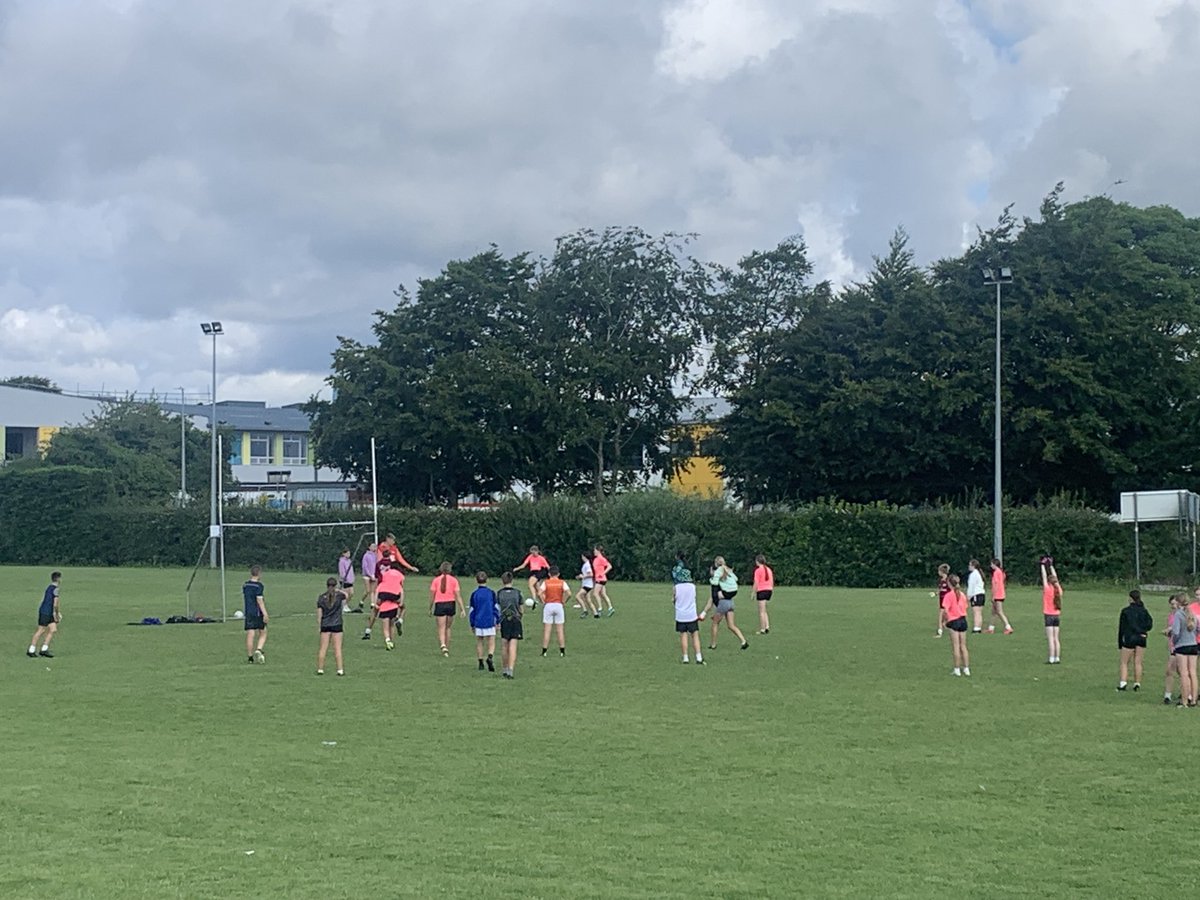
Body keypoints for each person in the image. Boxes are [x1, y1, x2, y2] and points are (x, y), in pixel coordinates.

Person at [703, 556, 749, 651]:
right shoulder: (728, 572)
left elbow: (714, 591)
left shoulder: (717, 577)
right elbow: (735, 579)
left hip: (723, 603)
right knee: (731, 625)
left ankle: (713, 644)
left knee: (715, 623)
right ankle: (743, 641)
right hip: (730, 602)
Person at [1117, 589, 1153, 692]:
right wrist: (1143, 631)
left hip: (1129, 638)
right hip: (1141, 638)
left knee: (1124, 662)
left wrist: (1120, 642)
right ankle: (1137, 683)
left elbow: (1122, 628)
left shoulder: (1126, 611)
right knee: (1138, 662)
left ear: (1130, 598)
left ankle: (1123, 683)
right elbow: (1149, 624)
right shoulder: (1144, 611)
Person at [1169, 593, 1199, 707]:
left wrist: (1174, 641)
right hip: (1193, 645)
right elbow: (1198, 629)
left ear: (1178, 602)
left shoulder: (1178, 614)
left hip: (1182, 645)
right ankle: (1194, 700)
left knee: (1184, 673)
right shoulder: (1192, 614)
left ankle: (1184, 700)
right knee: (1193, 672)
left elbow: (1176, 632)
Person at [430, 561, 464, 657]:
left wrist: (430, 607)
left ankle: (443, 645)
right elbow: (458, 596)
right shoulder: (454, 580)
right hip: (450, 604)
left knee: (441, 627)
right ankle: (447, 648)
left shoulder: (436, 580)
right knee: (448, 627)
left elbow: (432, 595)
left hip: (439, 604)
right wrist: (462, 609)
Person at [469, 572, 500, 672]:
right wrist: (498, 621)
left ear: (476, 580)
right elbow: (495, 608)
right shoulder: (491, 593)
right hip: (489, 620)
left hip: (478, 620)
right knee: (491, 640)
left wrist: (472, 623)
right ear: (487, 580)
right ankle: (490, 656)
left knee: (480, 641)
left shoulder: (474, 594)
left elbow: (472, 610)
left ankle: (480, 662)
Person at [672, 562, 703, 664]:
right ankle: (698, 657)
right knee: (695, 635)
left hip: (680, 615)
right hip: (691, 615)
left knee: (683, 635)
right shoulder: (692, 587)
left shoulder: (676, 587)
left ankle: (685, 657)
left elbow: (674, 599)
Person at [27, 571, 62, 659]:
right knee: (41, 630)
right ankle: (31, 650)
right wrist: (57, 614)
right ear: (58, 579)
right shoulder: (56, 589)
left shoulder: (49, 587)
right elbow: (55, 604)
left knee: (53, 629)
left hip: (48, 612)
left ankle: (44, 649)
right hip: (46, 612)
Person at [496, 571, 525, 679]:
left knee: (504, 646)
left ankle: (504, 669)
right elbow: (521, 609)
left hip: (504, 620)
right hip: (515, 620)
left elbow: (497, 608)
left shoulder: (499, 593)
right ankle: (510, 670)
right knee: (513, 646)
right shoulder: (518, 593)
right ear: (512, 580)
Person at [316, 577, 346, 676]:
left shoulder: (321, 597)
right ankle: (340, 669)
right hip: (337, 625)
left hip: (325, 625)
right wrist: (339, 590)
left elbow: (319, 614)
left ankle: (320, 669)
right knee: (337, 648)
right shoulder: (339, 596)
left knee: (323, 648)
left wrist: (319, 626)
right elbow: (348, 595)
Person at [941, 573, 970, 676]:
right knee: (963, 646)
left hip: (954, 621)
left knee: (956, 646)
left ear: (949, 583)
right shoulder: (962, 595)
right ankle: (966, 668)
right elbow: (965, 607)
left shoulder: (949, 595)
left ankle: (957, 669)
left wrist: (944, 621)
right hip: (963, 620)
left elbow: (945, 610)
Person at [374, 560, 404, 650]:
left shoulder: (384, 577)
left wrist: (375, 603)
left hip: (384, 605)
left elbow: (377, 591)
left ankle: (387, 641)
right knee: (391, 625)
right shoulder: (400, 576)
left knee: (385, 626)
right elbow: (401, 589)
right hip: (394, 604)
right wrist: (401, 601)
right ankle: (392, 640)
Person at [242, 565, 269, 664]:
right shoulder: (259, 586)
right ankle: (258, 649)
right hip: (257, 612)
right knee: (263, 632)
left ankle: (250, 657)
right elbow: (259, 600)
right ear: (259, 574)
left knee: (250, 634)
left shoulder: (245, 585)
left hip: (248, 612)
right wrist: (265, 613)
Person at [540, 565, 569, 657]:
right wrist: (564, 601)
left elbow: (539, 593)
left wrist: (543, 600)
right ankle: (562, 651)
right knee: (560, 629)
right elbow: (569, 593)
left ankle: (544, 651)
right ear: (558, 574)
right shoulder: (562, 582)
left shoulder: (546, 582)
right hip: (558, 605)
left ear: (549, 574)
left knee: (547, 629)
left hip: (548, 605)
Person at [1041, 556, 1062, 664]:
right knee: (1056, 638)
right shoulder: (1058, 590)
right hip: (1056, 615)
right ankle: (1057, 657)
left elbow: (1044, 577)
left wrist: (1043, 565)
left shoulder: (1047, 589)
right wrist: (1051, 565)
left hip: (1048, 615)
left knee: (1050, 638)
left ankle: (1051, 658)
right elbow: (1055, 578)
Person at [1163, 595, 1183, 705]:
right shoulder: (1171, 616)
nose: (1174, 607)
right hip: (1173, 645)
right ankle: (1169, 694)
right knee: (1174, 671)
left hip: (1181, 646)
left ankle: (1172, 694)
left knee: (1173, 670)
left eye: (1176, 604)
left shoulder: (1184, 615)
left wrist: (1171, 629)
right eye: (1172, 605)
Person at [987, 557, 1012, 634]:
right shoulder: (1001, 572)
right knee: (994, 612)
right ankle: (991, 628)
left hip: (998, 595)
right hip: (1001, 593)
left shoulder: (996, 572)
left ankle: (1008, 627)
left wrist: (993, 595)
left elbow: (996, 585)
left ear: (995, 564)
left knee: (999, 611)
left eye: (992, 564)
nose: (991, 565)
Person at [753, 554, 774, 635]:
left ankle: (762, 629)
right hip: (769, 590)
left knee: (761, 611)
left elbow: (756, 582)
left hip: (762, 590)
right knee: (764, 610)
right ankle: (767, 626)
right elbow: (771, 581)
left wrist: (753, 592)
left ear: (758, 561)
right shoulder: (768, 569)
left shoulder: (758, 570)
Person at [592, 544, 615, 615]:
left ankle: (600, 609)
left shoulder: (601, 558)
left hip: (600, 579)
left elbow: (609, 566)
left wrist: (603, 573)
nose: (594, 552)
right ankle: (610, 608)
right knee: (603, 594)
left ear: (598, 551)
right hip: (600, 579)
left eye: (595, 550)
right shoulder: (596, 559)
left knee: (595, 593)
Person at [577, 552, 599, 619]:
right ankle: (596, 614)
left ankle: (585, 610)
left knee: (577, 596)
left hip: (587, 585)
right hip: (588, 584)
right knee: (588, 600)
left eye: (582, 557)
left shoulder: (587, 565)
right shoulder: (586, 564)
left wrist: (583, 576)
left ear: (584, 557)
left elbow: (591, 574)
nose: (581, 558)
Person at [966, 559, 986, 634]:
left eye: (970, 565)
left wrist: (969, 596)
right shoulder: (979, 573)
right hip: (981, 594)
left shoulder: (973, 574)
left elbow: (971, 586)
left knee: (976, 612)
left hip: (976, 595)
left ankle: (976, 628)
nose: (969, 566)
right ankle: (978, 627)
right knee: (979, 612)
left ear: (973, 566)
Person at [360, 542, 378, 614]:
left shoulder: (375, 556)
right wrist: (370, 575)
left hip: (373, 575)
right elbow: (365, 566)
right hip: (367, 575)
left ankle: (372, 604)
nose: (374, 548)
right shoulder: (366, 555)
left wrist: (374, 574)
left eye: (375, 546)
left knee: (373, 590)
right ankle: (361, 601)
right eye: (373, 546)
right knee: (368, 590)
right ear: (369, 547)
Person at [934, 563, 951, 637]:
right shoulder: (941, 580)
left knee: (944, 613)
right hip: (941, 599)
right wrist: (936, 593)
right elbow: (940, 589)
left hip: (947, 599)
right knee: (942, 612)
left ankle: (940, 628)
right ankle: (942, 626)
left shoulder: (948, 580)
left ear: (942, 572)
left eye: (939, 571)